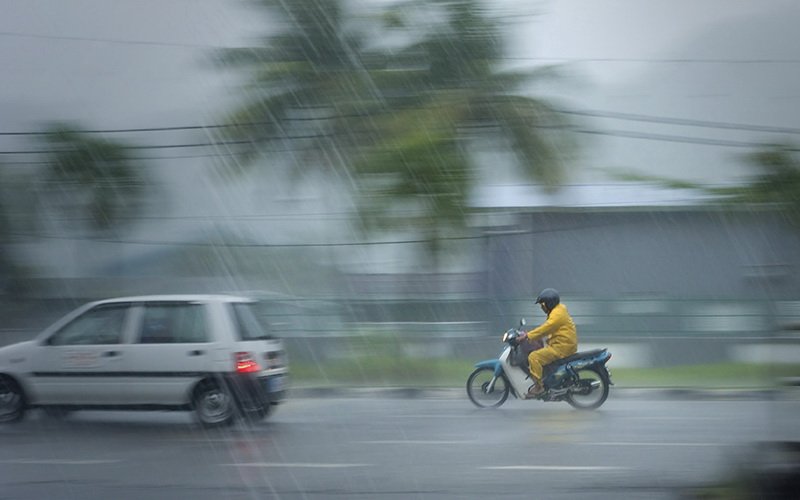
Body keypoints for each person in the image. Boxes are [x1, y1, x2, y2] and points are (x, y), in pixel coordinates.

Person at [518, 288, 578, 398]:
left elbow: (546, 328)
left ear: (549, 303)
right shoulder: (558, 310)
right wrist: (532, 335)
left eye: (543, 304)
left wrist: (528, 335)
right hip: (563, 344)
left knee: (534, 357)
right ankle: (546, 379)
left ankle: (539, 387)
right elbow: (548, 329)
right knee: (539, 348)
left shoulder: (557, 315)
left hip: (562, 347)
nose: (542, 307)